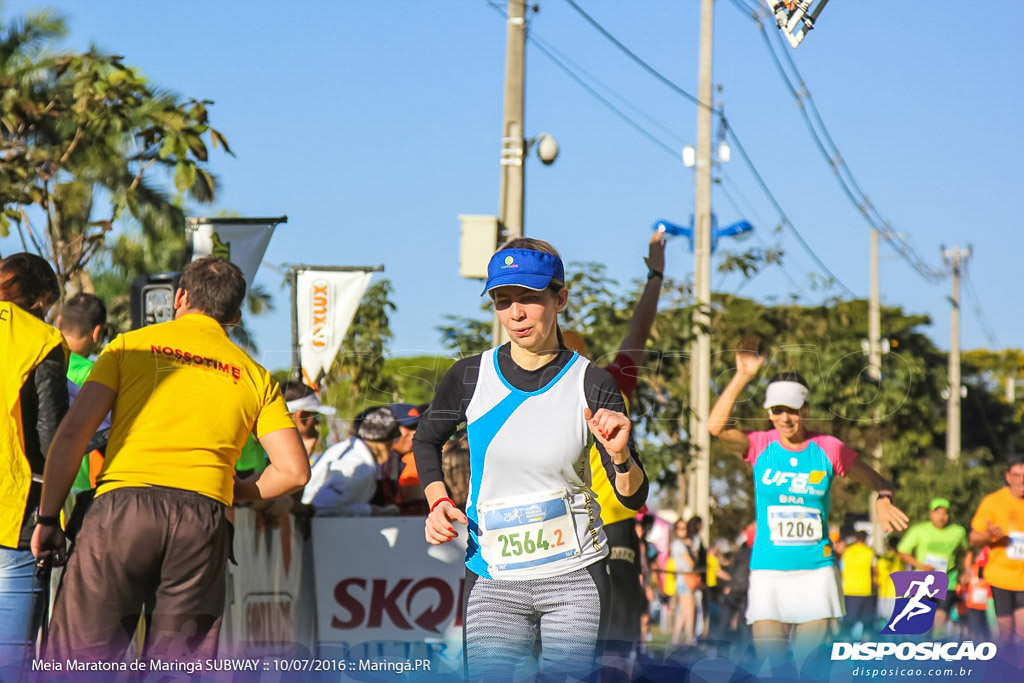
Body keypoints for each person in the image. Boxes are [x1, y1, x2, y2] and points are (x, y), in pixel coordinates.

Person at [31, 256, 311, 662]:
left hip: (121, 510)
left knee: (77, 661)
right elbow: (294, 471)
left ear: (179, 297)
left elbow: (72, 435)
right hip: (204, 520)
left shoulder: (128, 346)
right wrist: (236, 490)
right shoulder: (256, 375)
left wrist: (47, 518)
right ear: (233, 316)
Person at [413, 238, 649, 681]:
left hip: (575, 576)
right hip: (493, 577)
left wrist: (620, 458)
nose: (515, 314)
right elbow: (425, 441)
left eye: (528, 299)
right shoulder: (469, 376)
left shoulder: (590, 382)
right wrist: (437, 498)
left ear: (560, 298)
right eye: (503, 302)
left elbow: (633, 497)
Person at [707, 338, 908, 673]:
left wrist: (883, 499)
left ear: (807, 410)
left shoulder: (827, 448)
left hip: (816, 573)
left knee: (807, 670)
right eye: (777, 410)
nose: (785, 418)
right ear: (769, 412)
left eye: (793, 410)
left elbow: (881, 483)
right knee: (773, 669)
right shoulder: (760, 445)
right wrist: (742, 375)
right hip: (769, 572)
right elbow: (715, 427)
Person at [561, 231, 665, 663]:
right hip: (581, 525)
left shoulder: (605, 382)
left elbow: (639, 330)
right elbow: (638, 331)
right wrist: (656, 275)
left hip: (603, 522)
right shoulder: (607, 381)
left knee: (606, 639)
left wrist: (656, 276)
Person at [0, 253, 68, 675]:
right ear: (40, 300)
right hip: (14, 516)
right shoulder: (41, 340)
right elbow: (51, 439)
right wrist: (50, 518)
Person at [301, 406, 403, 517]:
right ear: (385, 441)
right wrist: (371, 511)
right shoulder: (360, 467)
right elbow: (321, 506)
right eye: (394, 439)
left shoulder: (343, 449)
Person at [55, 292, 108, 494]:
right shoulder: (97, 375)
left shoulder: (41, 364)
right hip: (83, 485)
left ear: (59, 322)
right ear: (97, 332)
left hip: (41, 480)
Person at [969, 454, 1024, 644]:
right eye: (1017, 475)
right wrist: (989, 536)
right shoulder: (993, 501)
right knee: (1006, 635)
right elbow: (973, 538)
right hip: (1001, 577)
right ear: (1008, 477)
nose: (1021, 480)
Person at [897, 496, 968, 637]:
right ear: (931, 514)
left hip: (948, 581)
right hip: (923, 581)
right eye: (938, 512)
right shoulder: (919, 530)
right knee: (924, 622)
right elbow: (902, 551)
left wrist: (966, 570)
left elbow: (968, 551)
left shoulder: (958, 531)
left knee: (940, 619)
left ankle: (938, 651)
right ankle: (924, 650)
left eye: (945, 513)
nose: (942, 516)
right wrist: (919, 565)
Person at [840, 530, 876, 639]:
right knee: (867, 624)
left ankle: (844, 648)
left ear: (855, 538)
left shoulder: (846, 552)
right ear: (866, 539)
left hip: (849, 590)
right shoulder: (870, 552)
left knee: (847, 624)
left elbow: (842, 568)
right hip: (866, 591)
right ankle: (866, 648)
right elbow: (874, 571)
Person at [668, 519, 698, 647]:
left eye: (684, 528)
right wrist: (692, 548)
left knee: (684, 611)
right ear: (676, 530)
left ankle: (676, 638)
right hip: (685, 579)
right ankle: (689, 638)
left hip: (681, 579)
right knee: (690, 610)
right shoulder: (679, 544)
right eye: (680, 528)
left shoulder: (676, 544)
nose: (683, 531)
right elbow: (692, 563)